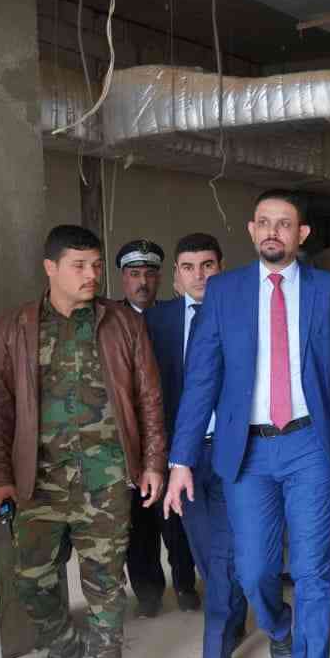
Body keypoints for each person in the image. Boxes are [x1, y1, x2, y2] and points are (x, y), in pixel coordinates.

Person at [164, 189, 330, 658]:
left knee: (313, 570)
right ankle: (279, 627)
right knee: (253, 570)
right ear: (252, 231)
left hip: (310, 446)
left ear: (302, 235)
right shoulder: (224, 291)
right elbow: (201, 379)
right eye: (264, 222)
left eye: (285, 223)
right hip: (246, 450)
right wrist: (181, 459)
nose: (274, 231)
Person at [0, 225, 167, 658]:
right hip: (37, 481)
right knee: (32, 582)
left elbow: (149, 398)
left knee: (106, 586)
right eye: (79, 265)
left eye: (96, 265)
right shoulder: (15, 327)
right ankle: (65, 646)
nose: (92, 275)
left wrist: (153, 462)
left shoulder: (122, 323)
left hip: (106, 479)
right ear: (51, 268)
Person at [147, 233, 249, 658]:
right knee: (209, 553)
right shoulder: (157, 322)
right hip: (182, 459)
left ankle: (216, 653)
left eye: (208, 265)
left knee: (227, 548)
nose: (199, 275)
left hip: (234, 451)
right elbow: (148, 396)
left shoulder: (244, 314)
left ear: (221, 268)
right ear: (176, 274)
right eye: (189, 267)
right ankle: (234, 612)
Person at [116, 239, 197, 616]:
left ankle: (185, 585)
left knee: (177, 516)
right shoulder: (111, 322)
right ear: (123, 278)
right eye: (135, 274)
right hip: (131, 438)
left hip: (172, 430)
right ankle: (148, 593)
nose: (143, 282)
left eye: (150, 274)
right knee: (139, 521)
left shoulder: (174, 317)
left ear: (161, 277)